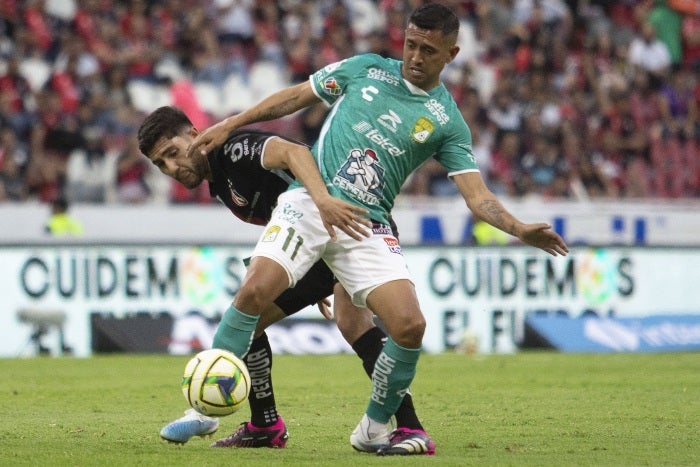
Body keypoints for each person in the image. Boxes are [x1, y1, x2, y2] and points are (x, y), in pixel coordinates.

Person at [187, 3, 569, 456]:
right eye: (411, 44)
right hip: (310, 202)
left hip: (366, 224)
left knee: (409, 326)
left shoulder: (447, 123)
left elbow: (477, 196)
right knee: (253, 293)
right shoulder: (365, 68)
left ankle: (373, 428)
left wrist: (520, 228)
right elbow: (296, 96)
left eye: (429, 49)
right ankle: (203, 408)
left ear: (452, 52)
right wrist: (232, 122)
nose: (416, 56)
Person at [136, 106, 430, 453]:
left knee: (250, 315)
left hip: (347, 224)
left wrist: (321, 205)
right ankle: (267, 425)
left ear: (194, 133)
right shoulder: (219, 178)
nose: (172, 167)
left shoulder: (234, 149)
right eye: (161, 164)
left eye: (172, 153)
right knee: (348, 322)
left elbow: (295, 152)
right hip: (322, 239)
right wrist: (303, 268)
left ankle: (234, 417)